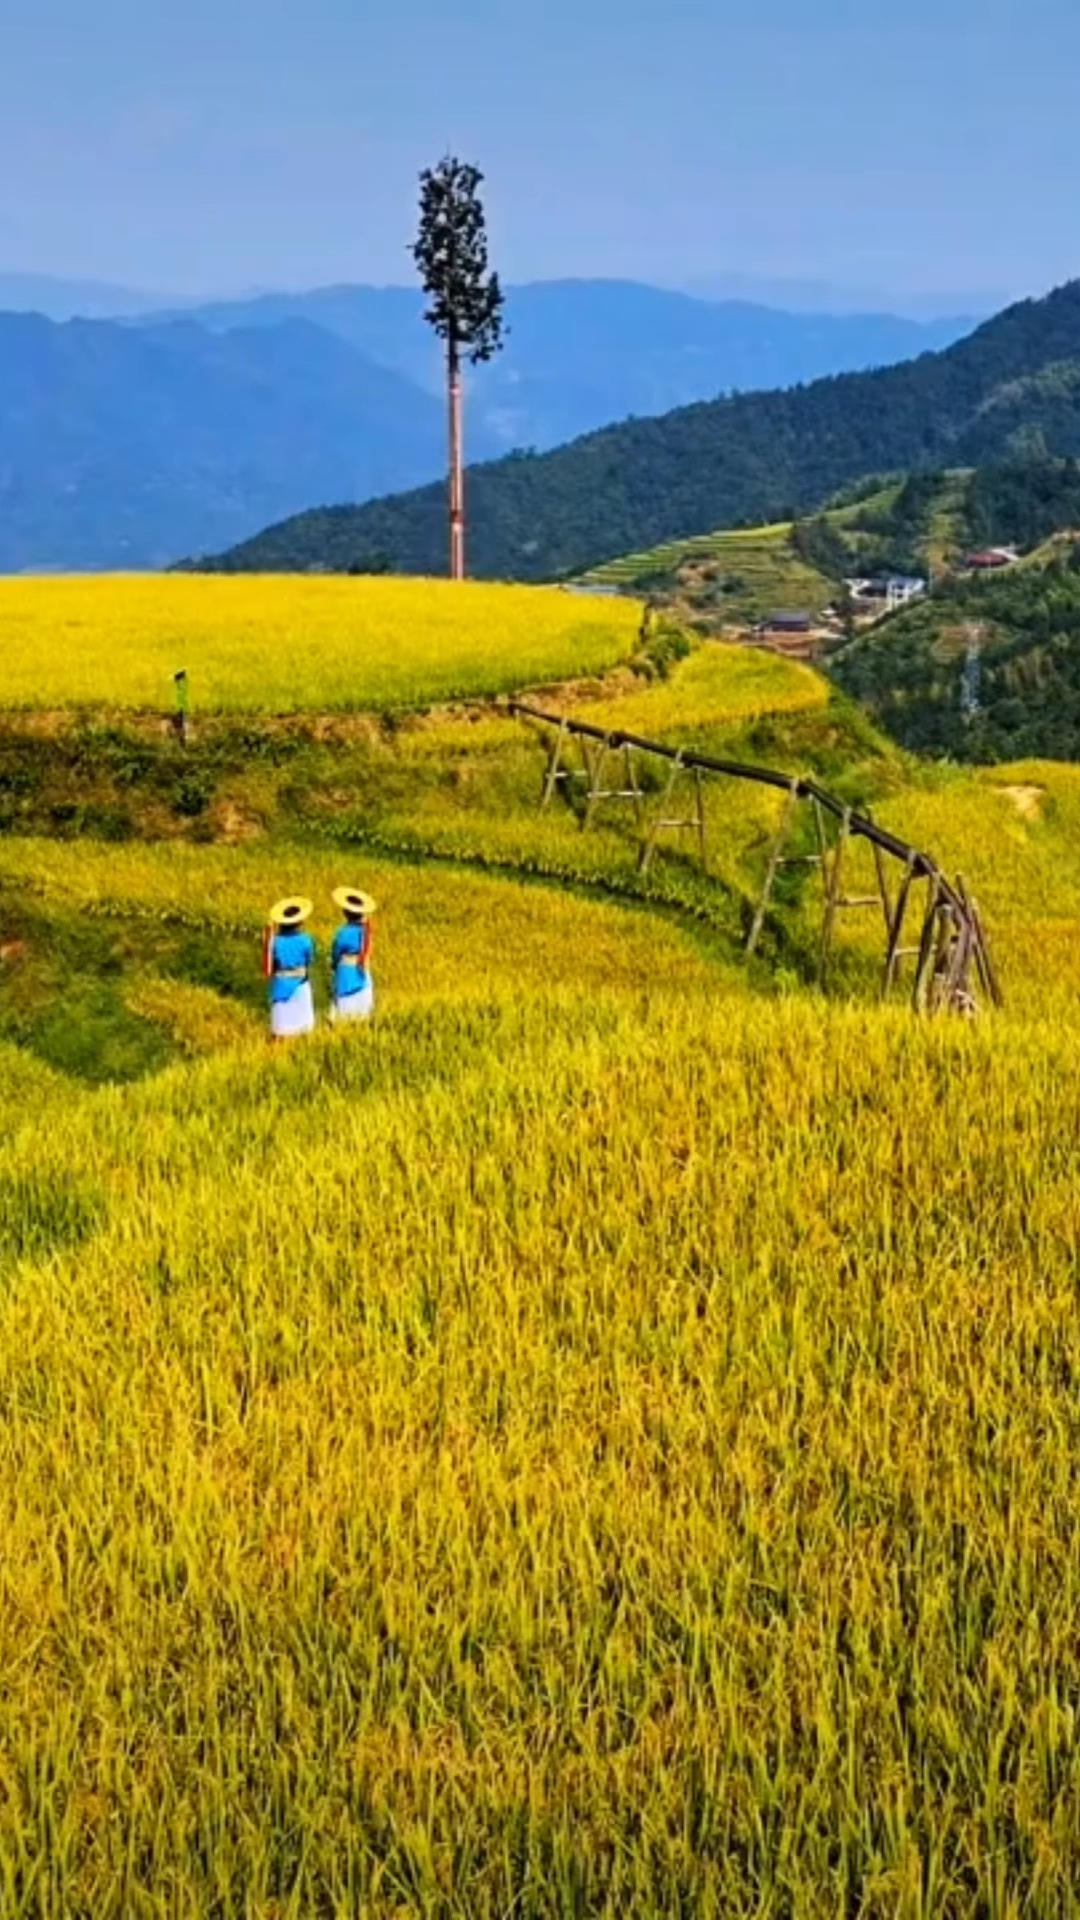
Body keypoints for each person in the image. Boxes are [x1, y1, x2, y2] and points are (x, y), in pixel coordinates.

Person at [263, 897, 316, 1039]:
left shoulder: (275, 942)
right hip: (301, 985)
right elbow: (309, 961)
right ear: (299, 922)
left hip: (280, 986)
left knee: (281, 1030)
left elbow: (269, 967)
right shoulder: (306, 940)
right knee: (304, 1030)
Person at [330, 886, 376, 1023]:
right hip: (362, 970)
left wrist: (334, 964)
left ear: (345, 912)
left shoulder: (342, 932)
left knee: (343, 1008)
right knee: (364, 1008)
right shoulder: (366, 931)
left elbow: (336, 953)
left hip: (345, 972)